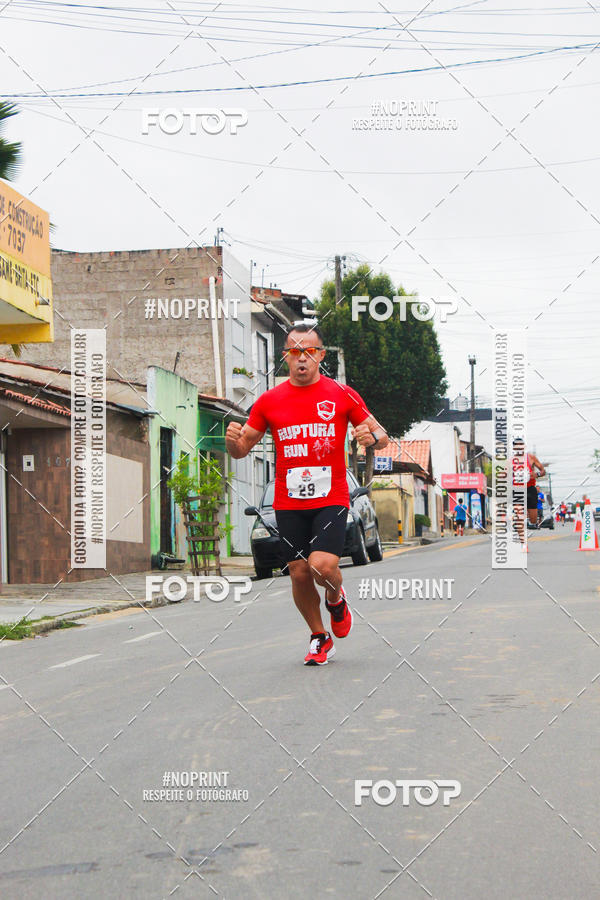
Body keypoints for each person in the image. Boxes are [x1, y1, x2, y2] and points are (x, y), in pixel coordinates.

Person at [225, 323, 388, 666]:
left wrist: (369, 437)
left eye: (309, 351)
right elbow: (242, 450)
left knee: (322, 565)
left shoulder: (342, 394)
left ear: (320, 356)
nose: (302, 358)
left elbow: (382, 436)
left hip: (330, 496)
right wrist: (232, 442)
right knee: (299, 572)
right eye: (294, 352)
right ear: (285, 357)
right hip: (288, 500)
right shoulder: (269, 401)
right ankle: (319, 636)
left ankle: (335, 599)